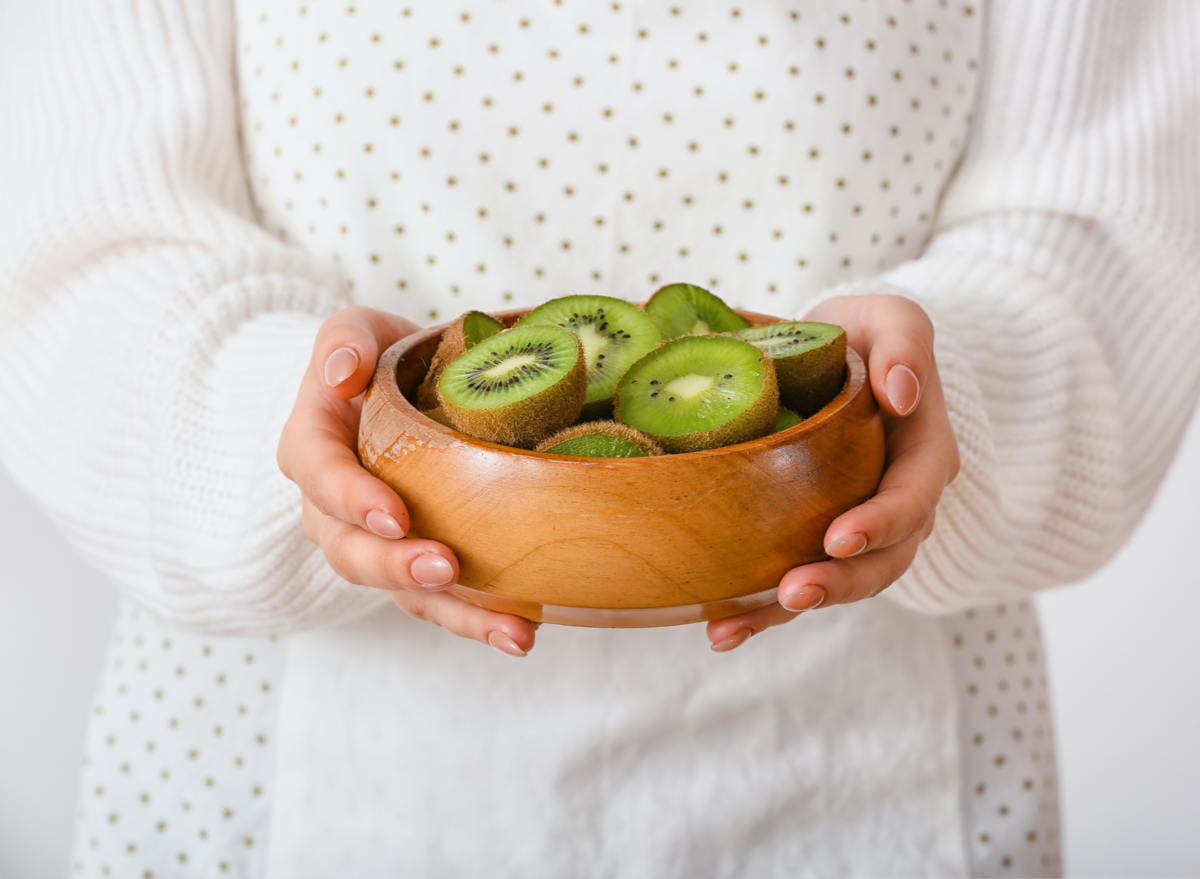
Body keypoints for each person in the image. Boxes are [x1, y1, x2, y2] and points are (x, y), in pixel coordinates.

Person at [1, 0, 1197, 875]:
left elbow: (1113, 238)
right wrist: (304, 422)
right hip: (275, 783)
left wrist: (936, 401)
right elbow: (78, 256)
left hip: (875, 771)